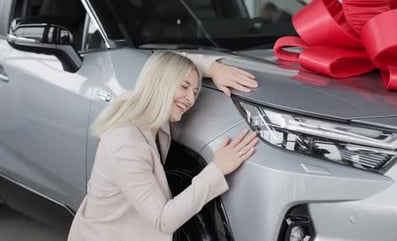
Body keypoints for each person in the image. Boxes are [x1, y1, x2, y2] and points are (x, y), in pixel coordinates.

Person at [67, 51, 259, 241]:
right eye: (184, 87)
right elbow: (163, 220)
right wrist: (217, 169)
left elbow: (165, 61)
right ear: (161, 82)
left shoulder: (142, 107)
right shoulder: (125, 143)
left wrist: (213, 68)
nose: (190, 100)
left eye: (194, 91)